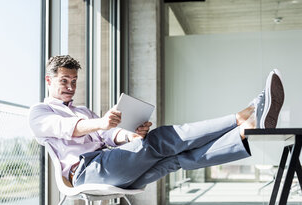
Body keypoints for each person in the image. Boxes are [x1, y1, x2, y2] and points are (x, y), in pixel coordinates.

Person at [29, 55, 285, 189]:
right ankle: (240, 116)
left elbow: (109, 137)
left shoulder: (83, 109)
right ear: (48, 80)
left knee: (174, 159)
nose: (70, 86)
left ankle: (245, 131)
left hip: (112, 167)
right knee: (161, 139)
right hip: (88, 173)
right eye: (64, 80)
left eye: (74, 81)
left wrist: (130, 135)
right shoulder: (39, 112)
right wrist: (101, 124)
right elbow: (66, 129)